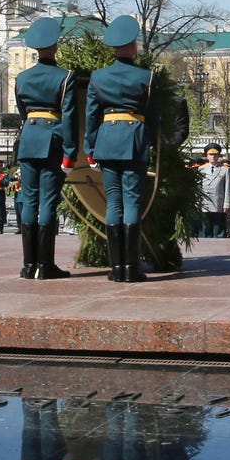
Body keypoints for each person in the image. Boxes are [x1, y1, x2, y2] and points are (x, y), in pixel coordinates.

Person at [86, 15, 155, 282]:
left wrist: (90, 146)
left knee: (113, 202)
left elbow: (92, 116)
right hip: (134, 141)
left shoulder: (98, 76)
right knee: (133, 201)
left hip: (106, 141)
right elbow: (153, 115)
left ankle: (116, 269)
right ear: (132, 45)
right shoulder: (146, 77)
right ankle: (131, 268)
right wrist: (145, 140)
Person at [15, 17, 78, 278]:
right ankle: (46, 264)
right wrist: (71, 151)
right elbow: (70, 115)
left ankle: (28, 265)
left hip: (29, 136)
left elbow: (22, 111)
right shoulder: (65, 77)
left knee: (29, 200)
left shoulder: (22, 77)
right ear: (55, 45)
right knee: (48, 202)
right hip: (52, 139)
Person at [198, 144, 230, 239]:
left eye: (215, 155)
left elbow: (227, 188)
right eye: (211, 154)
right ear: (207, 156)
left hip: (218, 203)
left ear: (218, 156)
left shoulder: (224, 170)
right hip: (205, 203)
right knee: (205, 230)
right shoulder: (201, 169)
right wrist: (198, 203)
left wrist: (226, 204)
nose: (213, 157)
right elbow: (198, 188)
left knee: (219, 230)